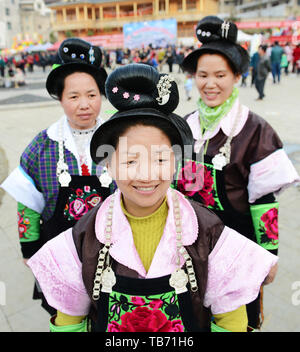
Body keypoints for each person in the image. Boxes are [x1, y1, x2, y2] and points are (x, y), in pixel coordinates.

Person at [27, 63, 278, 332]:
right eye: (131, 160)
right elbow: (69, 323)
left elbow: (231, 322)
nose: (146, 175)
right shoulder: (82, 237)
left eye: (160, 158)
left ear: (176, 163)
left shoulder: (208, 231)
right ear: (109, 165)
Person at [179, 16, 300, 330]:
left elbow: (264, 201)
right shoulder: (184, 125)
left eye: (220, 75)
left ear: (236, 76)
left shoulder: (254, 129)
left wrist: (268, 256)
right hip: (187, 248)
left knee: (235, 322)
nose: (210, 83)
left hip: (237, 247)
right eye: (202, 75)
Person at [1, 38, 113, 315]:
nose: (84, 104)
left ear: (102, 95)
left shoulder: (120, 136)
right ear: (60, 98)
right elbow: (27, 205)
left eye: (92, 94)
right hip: (59, 253)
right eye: (73, 97)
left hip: (113, 254)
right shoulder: (42, 146)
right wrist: (29, 249)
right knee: (67, 316)